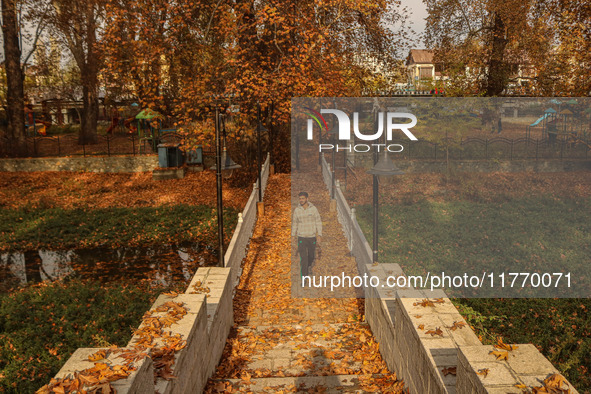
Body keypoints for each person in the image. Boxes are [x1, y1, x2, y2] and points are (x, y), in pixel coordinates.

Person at [292, 191, 322, 278]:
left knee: (311, 256)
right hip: (301, 237)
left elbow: (318, 221)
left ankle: (308, 266)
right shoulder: (297, 210)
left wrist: (319, 235)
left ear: (307, 199)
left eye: (303, 198)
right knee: (303, 258)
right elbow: (295, 223)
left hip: (311, 237)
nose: (301, 200)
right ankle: (304, 277)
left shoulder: (313, 209)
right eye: (300, 198)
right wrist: (293, 235)